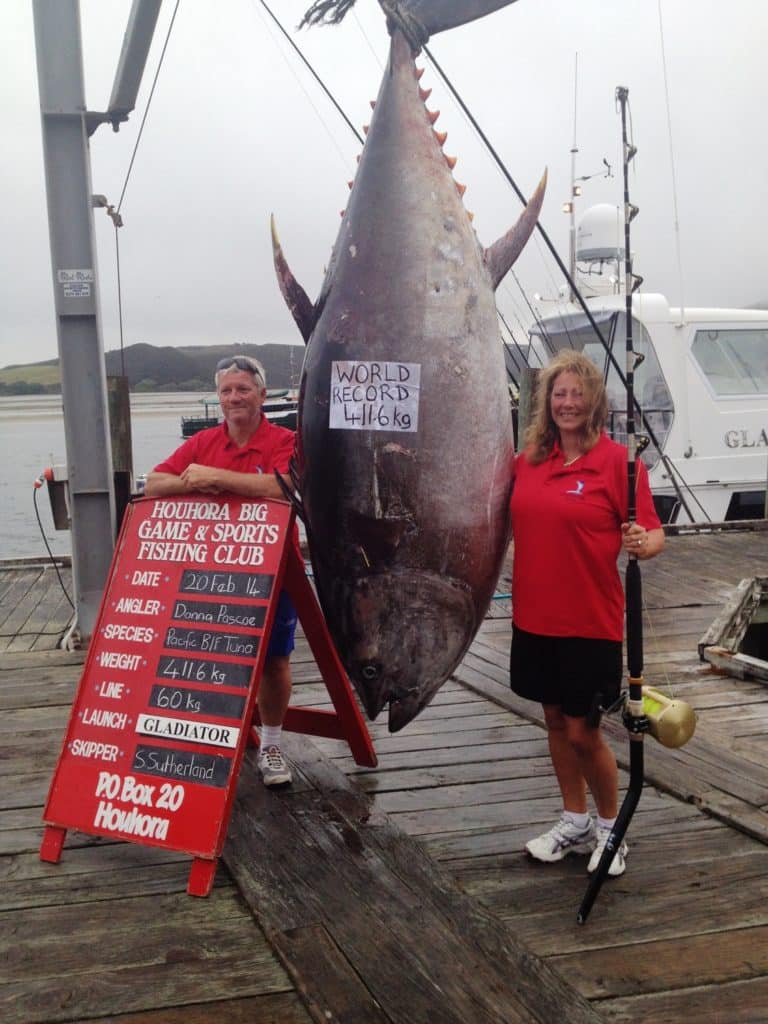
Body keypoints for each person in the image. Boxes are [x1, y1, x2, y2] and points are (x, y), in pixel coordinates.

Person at [509, 348, 664, 877]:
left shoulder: (620, 464)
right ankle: (574, 820)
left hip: (589, 622)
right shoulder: (527, 462)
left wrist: (644, 542)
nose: (567, 403)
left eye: (577, 393)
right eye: (559, 393)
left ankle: (610, 827)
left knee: (583, 731)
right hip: (533, 618)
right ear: (545, 401)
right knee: (553, 720)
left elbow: (654, 533)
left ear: (594, 401)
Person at [145, 355, 297, 787]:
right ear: (219, 397)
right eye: (227, 390)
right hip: (209, 570)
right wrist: (192, 481)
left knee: (273, 659)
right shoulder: (203, 441)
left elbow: (284, 487)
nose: (234, 398)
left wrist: (217, 478)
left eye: (243, 389)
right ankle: (208, 743)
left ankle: (270, 743)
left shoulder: (286, 438)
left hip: (275, 570)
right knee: (205, 655)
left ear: (262, 396)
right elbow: (154, 484)